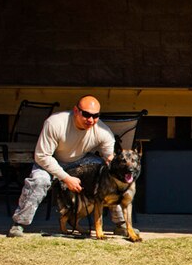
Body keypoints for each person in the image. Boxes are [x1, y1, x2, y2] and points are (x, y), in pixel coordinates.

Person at [7, 95, 128, 237]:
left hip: (80, 161)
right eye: (86, 114)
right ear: (76, 111)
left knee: (110, 177)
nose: (91, 120)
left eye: (95, 116)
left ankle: (121, 224)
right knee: (40, 180)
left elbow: (109, 160)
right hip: (50, 160)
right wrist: (66, 178)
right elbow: (41, 156)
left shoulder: (103, 131)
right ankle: (19, 224)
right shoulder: (55, 123)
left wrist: (120, 171)